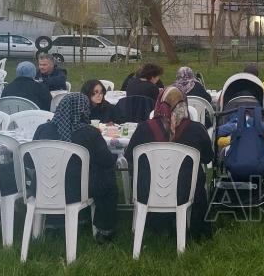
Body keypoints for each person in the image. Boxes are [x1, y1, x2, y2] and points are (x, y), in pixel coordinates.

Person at [124, 87, 214, 239]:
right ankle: (196, 229)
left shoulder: (144, 128)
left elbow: (129, 156)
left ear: (159, 103)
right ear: (184, 105)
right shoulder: (197, 129)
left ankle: (157, 225)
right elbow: (207, 158)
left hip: (149, 190)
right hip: (186, 191)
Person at [32, 93, 118, 242]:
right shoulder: (89, 132)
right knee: (107, 179)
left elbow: (29, 160)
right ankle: (104, 229)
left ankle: (54, 223)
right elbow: (106, 161)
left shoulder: (43, 129)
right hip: (78, 190)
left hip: (44, 187)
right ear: (83, 109)